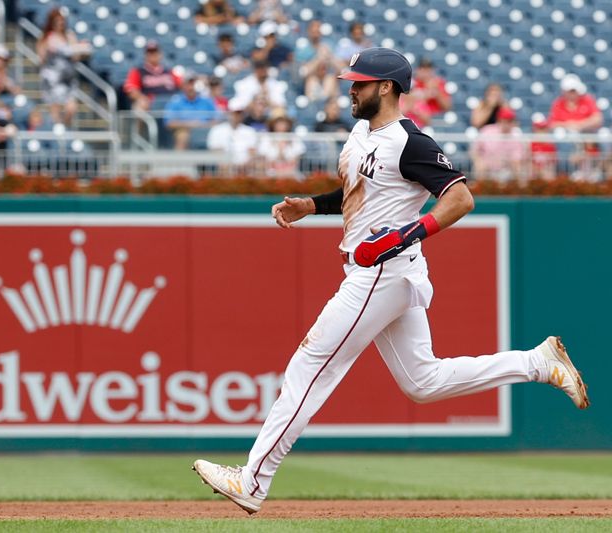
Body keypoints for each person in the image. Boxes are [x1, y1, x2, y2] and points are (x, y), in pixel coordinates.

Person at [192, 47, 589, 515]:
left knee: (310, 363)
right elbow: (362, 190)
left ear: (386, 87)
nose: (351, 89)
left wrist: (406, 234)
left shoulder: (410, 141)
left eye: (359, 82)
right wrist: (312, 205)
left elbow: (460, 199)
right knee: (424, 380)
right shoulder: (362, 132)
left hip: (382, 272)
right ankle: (537, 363)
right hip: (381, 269)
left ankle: (253, 481)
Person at [37, 8, 92, 125]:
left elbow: (75, 56)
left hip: (68, 79)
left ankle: (65, 129)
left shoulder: (69, 35)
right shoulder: (47, 37)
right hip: (53, 79)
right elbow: (41, 57)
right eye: (57, 20)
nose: (60, 23)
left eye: (62, 20)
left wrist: (81, 49)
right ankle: (56, 131)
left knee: (72, 108)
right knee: (55, 107)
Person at [470, 106, 528, 181]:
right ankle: (480, 190)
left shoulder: (516, 135)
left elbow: (517, 159)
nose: (507, 124)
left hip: (507, 169)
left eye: (510, 121)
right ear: (499, 120)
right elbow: (474, 150)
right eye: (505, 121)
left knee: (519, 168)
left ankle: (518, 191)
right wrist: (478, 160)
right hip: (488, 167)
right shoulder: (487, 131)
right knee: (480, 166)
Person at [163, 75, 218, 150]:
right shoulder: (175, 101)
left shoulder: (207, 101)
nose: (191, 87)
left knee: (219, 135)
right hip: (184, 130)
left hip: (205, 130)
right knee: (182, 136)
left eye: (193, 84)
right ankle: (178, 161)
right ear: (183, 86)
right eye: (188, 84)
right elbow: (169, 123)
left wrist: (203, 125)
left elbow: (216, 119)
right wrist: (190, 124)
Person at [123, 41, 181, 112]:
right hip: (150, 103)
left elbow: (183, 85)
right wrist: (143, 98)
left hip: (170, 102)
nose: (153, 55)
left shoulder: (169, 71)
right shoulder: (138, 71)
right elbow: (131, 90)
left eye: (155, 52)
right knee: (140, 105)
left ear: (160, 54)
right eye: (150, 52)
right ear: (145, 55)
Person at [207, 99, 258, 175]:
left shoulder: (250, 131)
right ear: (229, 113)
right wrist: (227, 164)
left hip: (245, 168)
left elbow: (252, 152)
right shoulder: (217, 130)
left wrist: (244, 165)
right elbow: (215, 150)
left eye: (240, 113)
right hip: (224, 167)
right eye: (235, 113)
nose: (238, 116)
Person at [400, 58, 452, 128]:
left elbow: (448, 107)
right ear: (417, 70)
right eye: (422, 69)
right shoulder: (411, 83)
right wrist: (424, 95)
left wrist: (437, 93)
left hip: (435, 117)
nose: (425, 72)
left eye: (428, 69)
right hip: (415, 117)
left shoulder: (438, 83)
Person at [257, 112, 305, 178]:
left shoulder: (294, 138)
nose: (281, 125)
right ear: (273, 124)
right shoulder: (266, 138)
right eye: (278, 122)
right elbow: (264, 159)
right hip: (270, 172)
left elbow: (296, 159)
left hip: (291, 172)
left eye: (283, 122)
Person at [529, 116, 557, 180]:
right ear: (534, 129)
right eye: (540, 128)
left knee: (549, 174)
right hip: (533, 173)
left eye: (544, 128)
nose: (542, 131)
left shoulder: (550, 145)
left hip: (546, 172)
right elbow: (527, 162)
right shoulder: (530, 144)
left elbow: (552, 164)